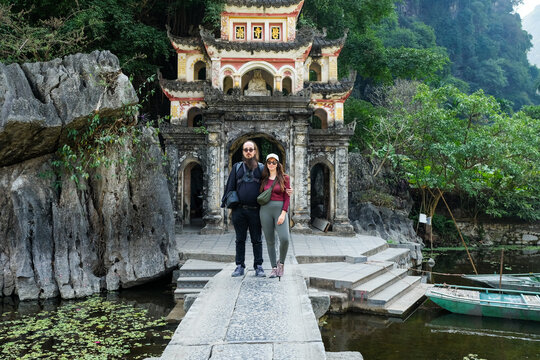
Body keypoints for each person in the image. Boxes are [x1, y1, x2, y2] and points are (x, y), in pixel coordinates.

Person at [221, 140, 266, 277]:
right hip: (239, 210)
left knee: (256, 239)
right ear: (243, 152)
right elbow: (230, 186)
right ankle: (239, 265)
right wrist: (227, 203)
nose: (248, 152)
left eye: (250, 149)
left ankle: (258, 266)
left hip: (255, 210)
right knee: (240, 239)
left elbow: (269, 186)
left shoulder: (261, 168)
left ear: (255, 151)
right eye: (245, 150)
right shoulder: (237, 167)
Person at [259, 153, 290, 279]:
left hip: (280, 210)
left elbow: (287, 197)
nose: (271, 164)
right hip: (265, 210)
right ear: (266, 164)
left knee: (285, 238)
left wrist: (283, 213)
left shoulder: (284, 177)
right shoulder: (264, 179)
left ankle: (281, 263)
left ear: (278, 164)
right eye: (269, 162)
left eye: (274, 162)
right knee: (270, 241)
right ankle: (273, 268)